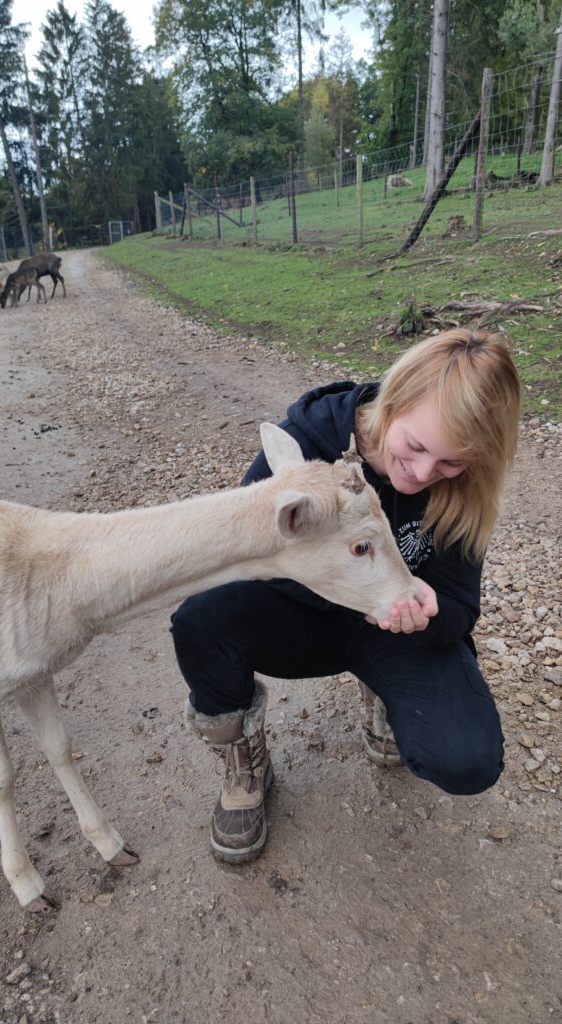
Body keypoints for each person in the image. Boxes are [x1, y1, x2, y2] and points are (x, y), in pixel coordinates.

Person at [170, 328, 521, 864]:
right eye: (417, 446)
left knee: (467, 759)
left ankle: (385, 693)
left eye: (450, 463)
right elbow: (241, 556)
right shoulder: (305, 446)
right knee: (199, 617)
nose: (424, 474)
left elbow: (459, 607)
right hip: (301, 622)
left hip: (391, 629)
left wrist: (426, 613)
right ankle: (243, 755)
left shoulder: (465, 490)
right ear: (394, 401)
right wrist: (348, 587)